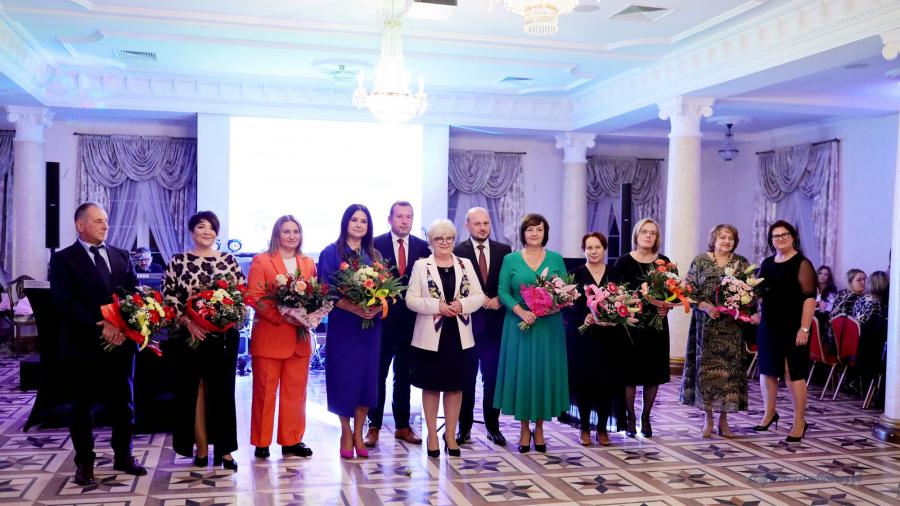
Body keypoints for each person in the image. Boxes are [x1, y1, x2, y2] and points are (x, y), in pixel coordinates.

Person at [49, 202, 146, 486]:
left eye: (106, 221)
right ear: (80, 225)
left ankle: (124, 455)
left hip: (121, 343)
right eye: (98, 221)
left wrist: (122, 324)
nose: (105, 226)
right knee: (82, 406)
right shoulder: (63, 259)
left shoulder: (121, 255)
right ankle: (85, 462)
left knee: (123, 403)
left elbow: (133, 295)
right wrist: (101, 323)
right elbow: (64, 302)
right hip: (83, 344)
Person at [163, 211, 244, 471]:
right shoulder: (178, 261)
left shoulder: (229, 260)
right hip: (190, 338)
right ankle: (200, 448)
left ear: (217, 233)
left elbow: (240, 296)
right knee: (194, 391)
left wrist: (226, 319)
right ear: (191, 231)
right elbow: (169, 299)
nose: (206, 231)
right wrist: (189, 322)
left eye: (211, 227)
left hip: (223, 338)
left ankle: (225, 451)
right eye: (200, 226)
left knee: (223, 392)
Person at [406, 219, 485, 458]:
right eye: (439, 239)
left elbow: (479, 296)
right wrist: (437, 306)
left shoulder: (465, 264)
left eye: (449, 238)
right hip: (430, 338)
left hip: (459, 337)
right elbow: (411, 300)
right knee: (431, 387)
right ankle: (432, 435)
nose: (444, 242)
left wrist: (462, 304)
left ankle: (450, 436)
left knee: (455, 387)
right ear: (431, 241)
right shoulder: (422, 266)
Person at [494, 213, 569, 454]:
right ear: (523, 233)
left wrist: (553, 306)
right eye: (529, 229)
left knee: (543, 374)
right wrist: (520, 311)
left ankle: (540, 428)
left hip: (549, 327)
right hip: (519, 326)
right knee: (524, 375)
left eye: (539, 229)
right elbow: (503, 291)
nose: (534, 233)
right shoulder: (510, 259)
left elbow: (565, 291)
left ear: (545, 233)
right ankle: (524, 428)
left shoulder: (556, 258)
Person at [245, 216, 316, 460]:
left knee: (295, 394)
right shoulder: (261, 260)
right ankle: (261, 442)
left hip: (299, 340)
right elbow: (254, 296)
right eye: (286, 231)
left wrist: (310, 315)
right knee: (265, 393)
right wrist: (284, 316)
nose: (291, 236)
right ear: (277, 234)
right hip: (270, 336)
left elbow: (314, 295)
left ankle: (291, 440)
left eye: (296, 231)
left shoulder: (308, 262)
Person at [317, 204, 384, 459]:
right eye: (354, 220)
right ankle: (345, 431)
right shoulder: (330, 252)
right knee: (344, 380)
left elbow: (386, 290)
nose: (358, 224)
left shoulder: (375, 255)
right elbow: (326, 290)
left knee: (366, 380)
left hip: (370, 329)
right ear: (345, 223)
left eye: (363, 221)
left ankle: (359, 432)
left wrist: (377, 306)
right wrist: (354, 308)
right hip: (344, 328)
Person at [366, 201, 430, 447]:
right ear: (390, 219)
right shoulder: (374, 245)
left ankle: (402, 426)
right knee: (378, 374)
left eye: (408, 217)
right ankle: (373, 425)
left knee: (404, 375)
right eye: (400, 216)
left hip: (411, 322)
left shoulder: (423, 247)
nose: (404, 221)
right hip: (381, 322)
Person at [680, 224, 749, 439]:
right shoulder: (700, 261)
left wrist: (739, 304)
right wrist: (706, 307)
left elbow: (750, 294)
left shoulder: (741, 263)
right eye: (722, 237)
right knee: (707, 374)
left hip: (731, 328)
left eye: (731, 238)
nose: (727, 241)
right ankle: (708, 418)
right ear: (714, 240)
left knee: (728, 375)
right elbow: (688, 292)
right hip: (705, 327)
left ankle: (724, 420)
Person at [752, 220, 816, 442]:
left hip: (793, 326)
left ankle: (799, 421)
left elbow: (810, 298)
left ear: (793, 237)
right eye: (775, 236)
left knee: (792, 373)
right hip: (769, 325)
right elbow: (760, 293)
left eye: (784, 235)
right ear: (771, 240)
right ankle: (770, 413)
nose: (780, 239)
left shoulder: (802, 263)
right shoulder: (767, 263)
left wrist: (804, 328)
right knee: (767, 370)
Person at [454, 207, 512, 446]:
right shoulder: (457, 251)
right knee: (466, 379)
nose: (482, 228)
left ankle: (493, 427)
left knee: (493, 379)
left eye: (486, 223)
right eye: (477, 223)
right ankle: (464, 428)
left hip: (496, 327)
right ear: (467, 225)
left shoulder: (504, 250)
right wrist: (478, 300)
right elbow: (456, 286)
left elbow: (508, 283)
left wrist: (500, 299)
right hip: (468, 325)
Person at [612, 218, 671, 438]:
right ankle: (630, 417)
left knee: (653, 374)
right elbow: (615, 293)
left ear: (657, 238)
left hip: (656, 325)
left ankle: (645, 417)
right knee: (629, 374)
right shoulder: (623, 262)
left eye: (652, 233)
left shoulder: (664, 262)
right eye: (644, 231)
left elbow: (673, 293)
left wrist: (667, 307)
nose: (648, 235)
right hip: (631, 325)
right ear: (636, 235)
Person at [567, 232, 625, 446]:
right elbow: (568, 305)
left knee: (606, 383)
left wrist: (614, 315)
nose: (593, 251)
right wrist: (584, 316)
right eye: (589, 248)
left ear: (604, 249)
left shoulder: (615, 273)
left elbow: (623, 302)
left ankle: (602, 428)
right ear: (583, 250)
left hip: (609, 339)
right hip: (583, 338)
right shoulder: (575, 274)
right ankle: (584, 427)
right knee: (584, 383)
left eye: (597, 247)